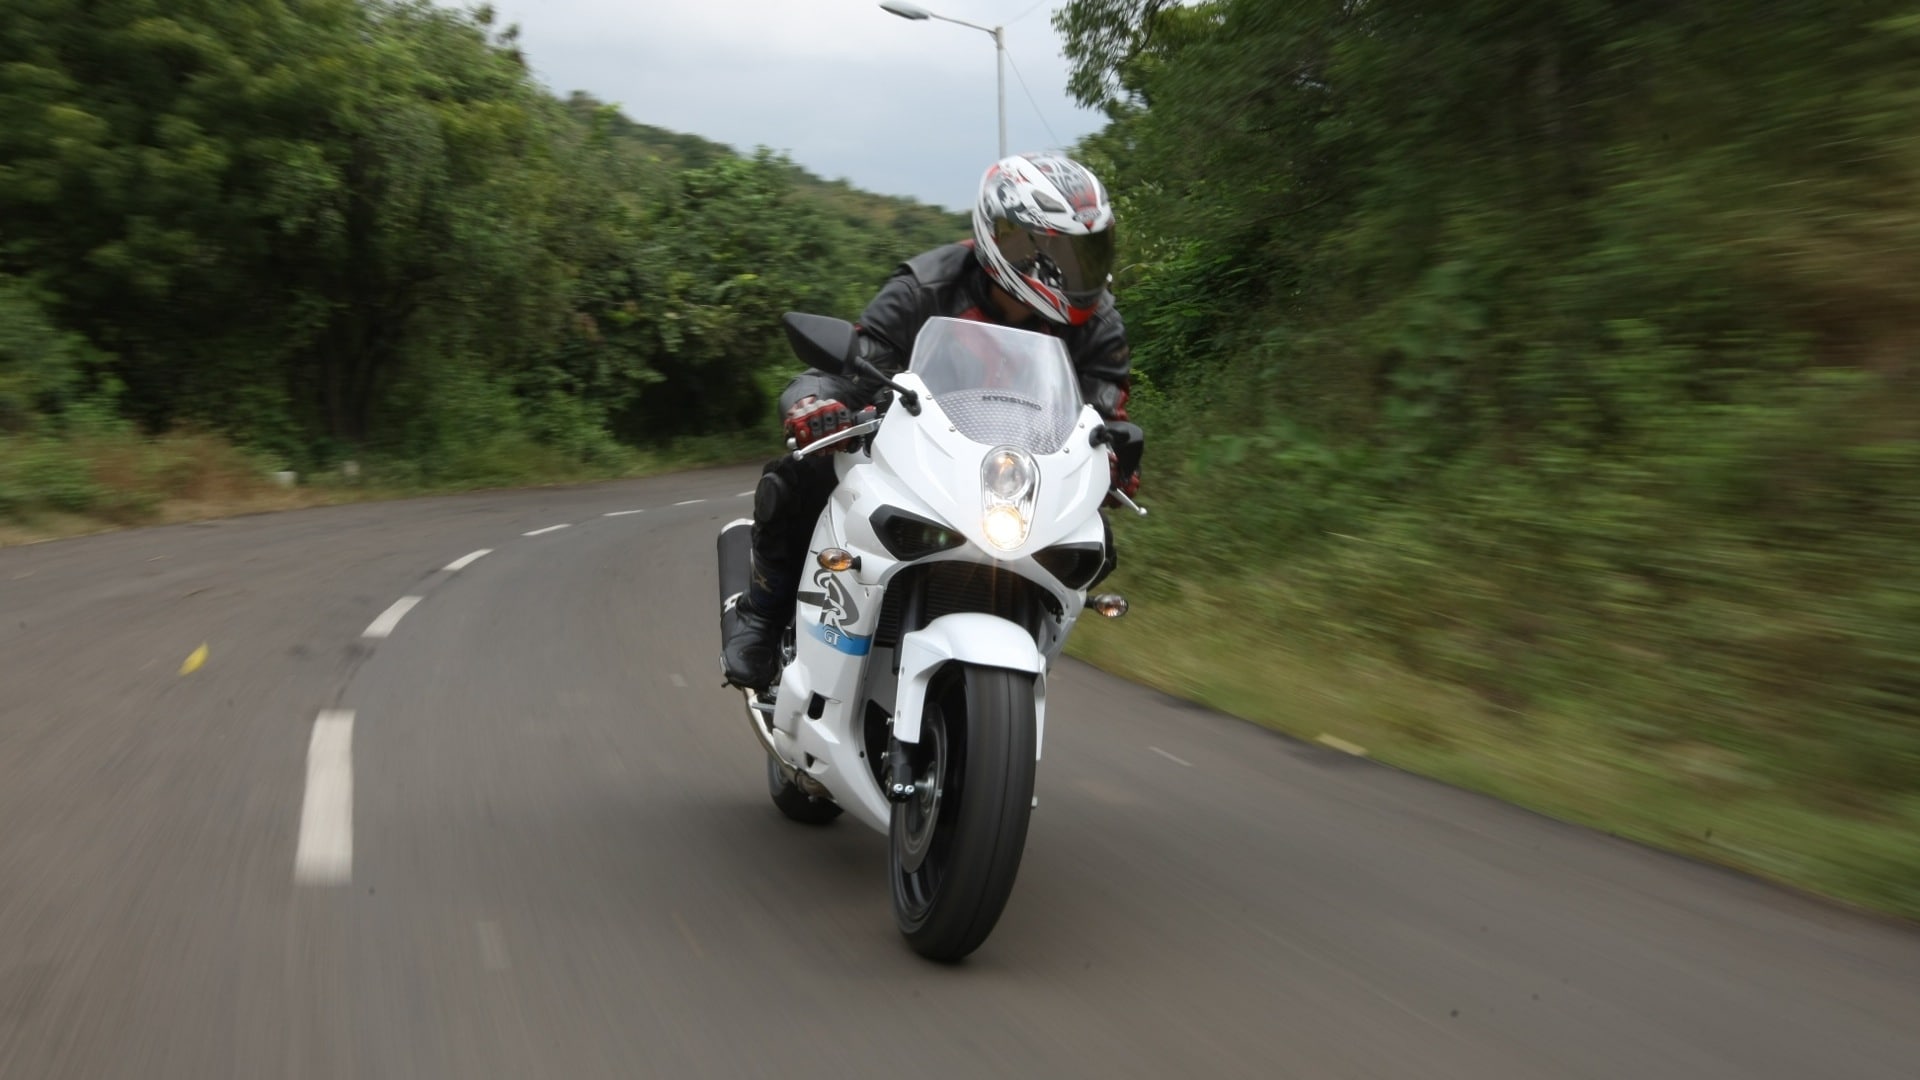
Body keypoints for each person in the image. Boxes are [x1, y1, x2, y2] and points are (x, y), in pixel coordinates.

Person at [722, 153, 1141, 691]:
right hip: (925, 451)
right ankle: (760, 616)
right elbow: (847, 365)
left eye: (1088, 251)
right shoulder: (925, 286)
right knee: (799, 478)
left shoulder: (1099, 323)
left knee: (1094, 537)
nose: (1080, 269)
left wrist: (1112, 461)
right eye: (1061, 251)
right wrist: (813, 404)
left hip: (1019, 475)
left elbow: (1103, 414)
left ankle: (1030, 643)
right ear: (1012, 242)